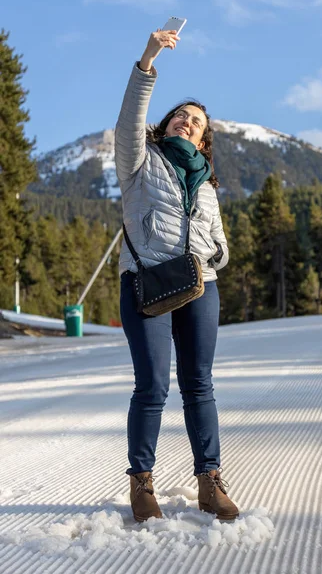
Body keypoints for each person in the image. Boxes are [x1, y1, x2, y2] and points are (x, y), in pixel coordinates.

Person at [115, 28, 238, 523]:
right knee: (152, 386)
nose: (187, 123)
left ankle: (210, 481)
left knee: (200, 385)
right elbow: (130, 119)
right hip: (147, 283)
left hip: (200, 285)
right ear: (165, 126)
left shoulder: (206, 181)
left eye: (196, 122)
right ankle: (141, 484)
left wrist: (211, 255)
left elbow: (222, 242)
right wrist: (148, 57)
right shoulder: (139, 162)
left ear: (203, 138)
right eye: (180, 117)